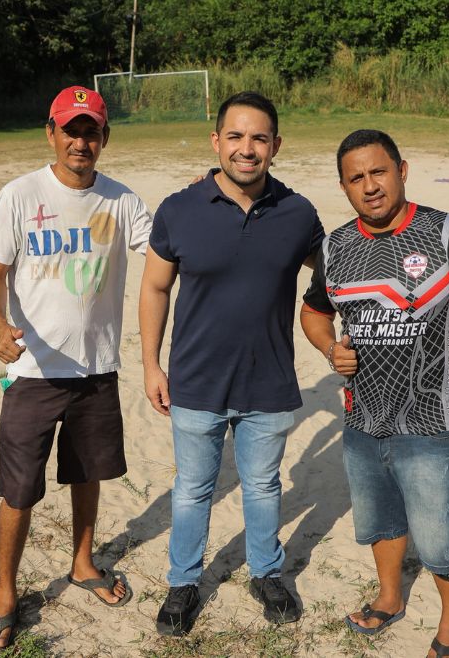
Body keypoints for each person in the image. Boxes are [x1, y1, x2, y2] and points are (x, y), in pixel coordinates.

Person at [299, 129, 449, 658]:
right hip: (362, 421)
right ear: (343, 187)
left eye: (379, 172)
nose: (370, 186)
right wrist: (329, 348)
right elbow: (314, 312)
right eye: (356, 178)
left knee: (439, 538)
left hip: (430, 423)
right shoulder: (335, 246)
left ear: (402, 170)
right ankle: (389, 598)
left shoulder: (447, 233)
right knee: (380, 522)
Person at [138, 91, 325, 636]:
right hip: (196, 380)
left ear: (276, 145)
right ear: (216, 141)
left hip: (268, 380)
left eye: (259, 138)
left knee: (263, 486)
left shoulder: (297, 213)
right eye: (236, 136)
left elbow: (337, 269)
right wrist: (151, 365)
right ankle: (184, 581)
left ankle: (266, 573)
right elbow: (154, 288)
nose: (247, 149)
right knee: (193, 488)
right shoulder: (179, 209)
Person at [0, 85, 153, 651]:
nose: (81, 141)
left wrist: (203, 199)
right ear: (50, 133)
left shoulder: (122, 201)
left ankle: (82, 562)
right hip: (33, 371)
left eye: (91, 131)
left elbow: (166, 250)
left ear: (105, 137)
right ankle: (6, 593)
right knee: (18, 489)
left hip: (96, 370)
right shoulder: (20, 195)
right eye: (70, 130)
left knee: (87, 472)